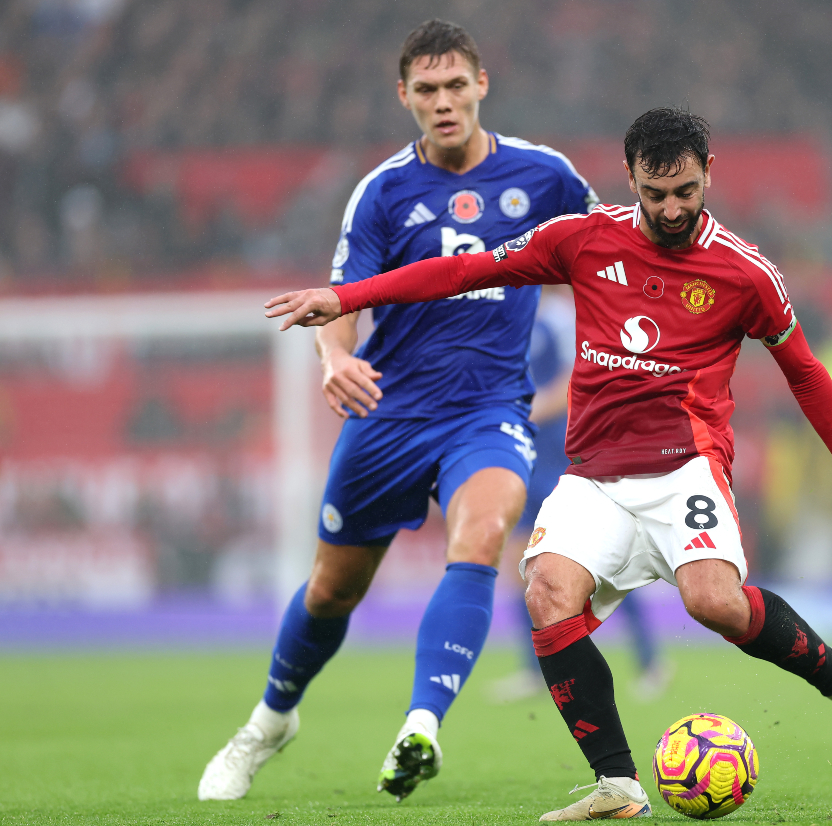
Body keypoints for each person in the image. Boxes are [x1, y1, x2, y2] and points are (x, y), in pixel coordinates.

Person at [265, 108, 832, 822]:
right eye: (656, 193)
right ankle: (618, 786)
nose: (672, 209)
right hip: (595, 476)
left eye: (687, 191)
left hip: (686, 467)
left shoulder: (744, 271)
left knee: (712, 602)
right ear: (629, 177)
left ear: (710, 175)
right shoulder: (581, 240)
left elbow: (803, 372)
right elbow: (463, 269)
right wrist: (345, 297)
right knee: (546, 592)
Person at [198, 19, 597, 803]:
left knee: (483, 540)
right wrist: (334, 356)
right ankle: (271, 720)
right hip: (391, 411)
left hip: (490, 409)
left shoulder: (545, 176)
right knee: (331, 591)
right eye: (427, 90)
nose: (443, 102)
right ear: (404, 96)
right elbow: (345, 294)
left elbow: (613, 254)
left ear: (482, 84)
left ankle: (423, 723)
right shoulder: (382, 191)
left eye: (456, 86)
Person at [490, 287, 670, 704]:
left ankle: (650, 662)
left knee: (604, 561)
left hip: (565, 455)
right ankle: (534, 669)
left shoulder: (566, 315)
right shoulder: (519, 314)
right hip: (528, 457)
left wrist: (526, 412)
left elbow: (577, 382)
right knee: (524, 560)